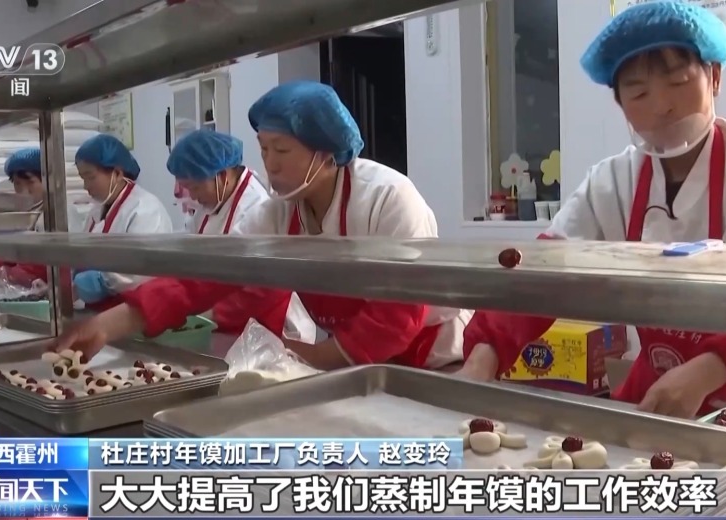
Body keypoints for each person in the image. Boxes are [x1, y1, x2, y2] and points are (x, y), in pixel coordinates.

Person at [457, 3, 726, 419]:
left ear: (714, 77)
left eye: (679, 82)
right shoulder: (612, 183)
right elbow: (543, 273)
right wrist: (485, 352)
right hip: (654, 393)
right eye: (639, 92)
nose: (662, 106)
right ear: (620, 103)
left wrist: (710, 370)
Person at [51, 81, 472, 371]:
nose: (269, 164)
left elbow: (398, 313)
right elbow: (204, 276)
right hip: (352, 357)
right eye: (264, 149)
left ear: (327, 154)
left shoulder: (388, 198)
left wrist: (310, 358)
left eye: (282, 150)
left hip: (432, 358)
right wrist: (108, 324)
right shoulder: (277, 213)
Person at [167, 128, 316, 343]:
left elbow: (261, 286)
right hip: (230, 322)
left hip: (272, 327)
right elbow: (191, 256)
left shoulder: (256, 205)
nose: (193, 196)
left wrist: (207, 313)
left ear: (221, 176)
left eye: (196, 187)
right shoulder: (209, 205)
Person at [72, 134, 173, 310]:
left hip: (132, 310)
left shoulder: (145, 209)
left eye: (90, 177)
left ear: (117, 173)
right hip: (100, 308)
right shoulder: (97, 209)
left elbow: (139, 270)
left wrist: (98, 282)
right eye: (83, 178)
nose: (85, 186)